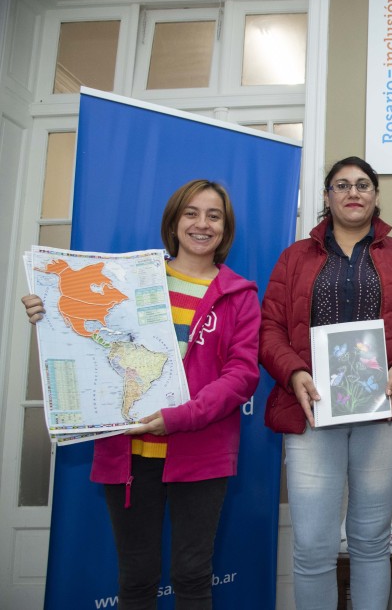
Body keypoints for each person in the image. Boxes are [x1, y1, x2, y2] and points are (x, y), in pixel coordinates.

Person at [22, 179, 261, 609]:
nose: (201, 224)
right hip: (129, 452)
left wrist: (181, 417)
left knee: (192, 577)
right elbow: (89, 333)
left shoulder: (240, 296)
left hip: (201, 453)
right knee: (135, 579)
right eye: (191, 212)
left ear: (226, 229)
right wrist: (48, 311)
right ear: (174, 220)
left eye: (214, 215)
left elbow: (242, 374)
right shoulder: (129, 279)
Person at [259, 156, 392, 610]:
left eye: (363, 184)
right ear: (327, 198)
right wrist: (295, 371)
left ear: (376, 195)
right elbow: (268, 331)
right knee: (313, 548)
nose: (353, 192)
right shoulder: (293, 258)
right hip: (312, 413)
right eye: (341, 185)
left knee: (369, 541)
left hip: (382, 414)